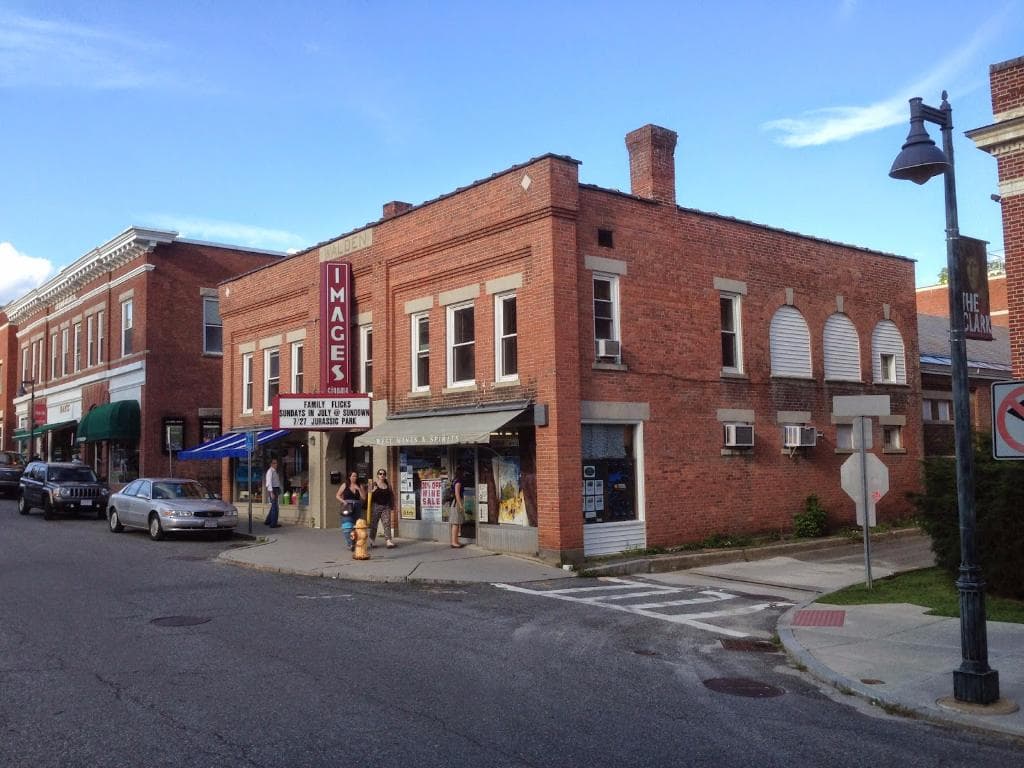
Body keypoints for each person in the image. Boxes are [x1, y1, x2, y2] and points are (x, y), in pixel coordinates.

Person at [336, 471, 366, 551]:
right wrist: (343, 501)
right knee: (347, 526)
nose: (354, 478)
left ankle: (355, 543)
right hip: (347, 506)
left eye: (356, 476)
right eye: (353, 476)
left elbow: (364, 497)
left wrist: (359, 489)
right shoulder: (345, 485)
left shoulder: (359, 485)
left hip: (357, 507)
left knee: (356, 527)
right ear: (349, 477)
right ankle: (350, 544)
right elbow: (337, 495)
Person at [369, 468, 396, 549]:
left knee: (387, 523)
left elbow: (391, 496)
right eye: (380, 474)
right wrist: (373, 491)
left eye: (384, 474)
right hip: (376, 506)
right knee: (374, 524)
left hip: (386, 507)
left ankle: (388, 541)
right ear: (377, 475)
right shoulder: (372, 484)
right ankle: (372, 541)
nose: (382, 475)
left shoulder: (388, 485)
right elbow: (368, 495)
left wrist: (392, 505)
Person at [449, 468, 466, 548]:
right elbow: (457, 494)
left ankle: (455, 541)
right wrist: (461, 505)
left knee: (456, 523)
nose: (465, 474)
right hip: (456, 503)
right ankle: (454, 542)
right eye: (464, 473)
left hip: (455, 502)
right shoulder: (458, 482)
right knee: (455, 523)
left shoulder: (455, 480)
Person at [264, 457, 281, 528]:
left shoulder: (274, 471)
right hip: (273, 490)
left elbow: (276, 481)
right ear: (271, 464)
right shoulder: (270, 471)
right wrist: (271, 492)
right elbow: (269, 483)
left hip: (276, 489)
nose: (276, 464)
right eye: (274, 463)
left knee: (273, 506)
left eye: (276, 463)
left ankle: (267, 521)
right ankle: (273, 524)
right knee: (275, 507)